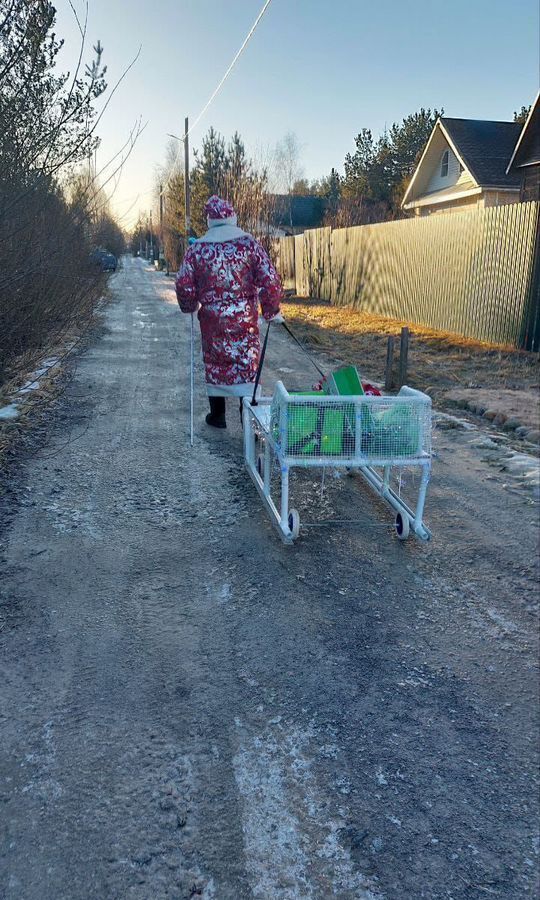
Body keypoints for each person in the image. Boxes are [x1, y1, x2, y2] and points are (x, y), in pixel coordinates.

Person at [175, 195, 284, 428]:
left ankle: (218, 415)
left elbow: (183, 282)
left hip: (213, 319)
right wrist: (271, 310)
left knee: (216, 362)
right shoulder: (249, 244)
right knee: (245, 362)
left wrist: (190, 305)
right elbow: (270, 279)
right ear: (232, 217)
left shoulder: (198, 249)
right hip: (245, 318)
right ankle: (248, 418)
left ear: (209, 220)